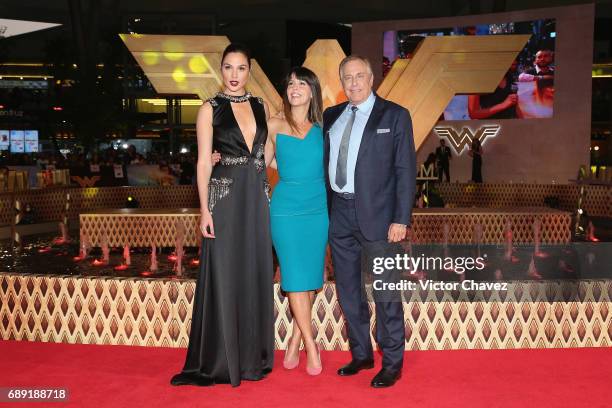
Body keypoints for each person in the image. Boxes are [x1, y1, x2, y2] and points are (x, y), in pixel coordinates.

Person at [170, 43, 274, 387]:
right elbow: (202, 162)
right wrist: (204, 209)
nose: (234, 75)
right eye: (228, 68)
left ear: (249, 71)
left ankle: (251, 357)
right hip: (225, 199)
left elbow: (268, 154)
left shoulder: (262, 106)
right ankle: (220, 359)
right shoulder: (209, 109)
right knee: (225, 274)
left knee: (254, 271)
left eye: (241, 68)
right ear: (221, 70)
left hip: (256, 198)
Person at [323, 55, 416, 388]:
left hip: (380, 218)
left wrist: (401, 218)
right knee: (349, 292)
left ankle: (392, 362)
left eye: (360, 76)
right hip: (339, 215)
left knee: (385, 292)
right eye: (347, 77)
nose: (354, 83)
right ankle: (361, 354)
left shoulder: (395, 115)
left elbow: (405, 171)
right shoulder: (331, 116)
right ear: (341, 81)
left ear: (372, 78)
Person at [266, 67, 328, 376]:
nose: (294, 87)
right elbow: (256, 163)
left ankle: (294, 340)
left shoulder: (323, 126)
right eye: (290, 83)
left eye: (301, 83)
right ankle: (312, 346)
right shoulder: (274, 124)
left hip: (318, 210)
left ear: (312, 90)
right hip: (286, 210)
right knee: (294, 278)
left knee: (310, 279)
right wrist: (221, 159)